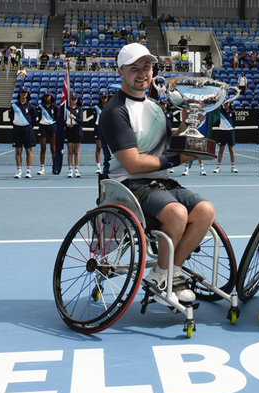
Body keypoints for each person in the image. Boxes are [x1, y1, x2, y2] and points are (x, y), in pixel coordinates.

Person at [98, 43, 213, 304]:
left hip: (159, 182)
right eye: (134, 68)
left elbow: (168, 142)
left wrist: (187, 124)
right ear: (121, 72)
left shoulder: (156, 106)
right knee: (177, 213)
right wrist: (176, 159)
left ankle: (166, 273)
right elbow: (134, 165)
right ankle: (166, 276)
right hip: (126, 185)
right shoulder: (116, 112)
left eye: (147, 67)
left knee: (205, 210)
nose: (142, 73)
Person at [9, 86, 37, 178]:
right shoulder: (14, 106)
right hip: (17, 130)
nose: (23, 94)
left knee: (28, 150)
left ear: (27, 94)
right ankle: (19, 170)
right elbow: (11, 118)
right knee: (18, 150)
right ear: (19, 93)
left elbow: (34, 120)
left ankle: (28, 171)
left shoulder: (31, 107)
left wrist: (27, 126)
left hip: (27, 130)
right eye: (22, 92)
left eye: (25, 92)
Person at [213, 101, 238, 173]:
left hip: (230, 132)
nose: (226, 105)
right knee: (221, 149)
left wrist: (230, 127)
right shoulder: (220, 112)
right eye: (225, 103)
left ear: (229, 104)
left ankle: (233, 167)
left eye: (227, 103)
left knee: (231, 149)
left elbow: (234, 121)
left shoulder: (233, 112)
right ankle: (218, 166)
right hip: (222, 132)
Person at [36, 92, 58, 175]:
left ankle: (55, 167)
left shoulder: (54, 107)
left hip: (52, 128)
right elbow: (37, 117)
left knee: (53, 148)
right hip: (42, 128)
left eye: (48, 96)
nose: (46, 98)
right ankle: (42, 168)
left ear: (50, 97)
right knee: (43, 148)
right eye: (45, 96)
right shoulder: (40, 107)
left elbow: (56, 117)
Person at [90, 90, 109, 174]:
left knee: (109, 149)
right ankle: (98, 167)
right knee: (98, 147)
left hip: (108, 129)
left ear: (107, 98)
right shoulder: (96, 107)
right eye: (102, 97)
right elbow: (94, 120)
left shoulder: (110, 106)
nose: (104, 99)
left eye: (105, 97)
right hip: (98, 128)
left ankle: (108, 166)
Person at [65, 93, 83, 178]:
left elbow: (81, 121)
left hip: (77, 131)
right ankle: (70, 170)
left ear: (77, 100)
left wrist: (74, 118)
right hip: (69, 131)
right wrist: (67, 124)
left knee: (76, 151)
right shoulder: (66, 109)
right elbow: (62, 120)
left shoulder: (79, 109)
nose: (73, 100)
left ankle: (76, 170)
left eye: (75, 99)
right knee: (70, 151)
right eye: (72, 98)